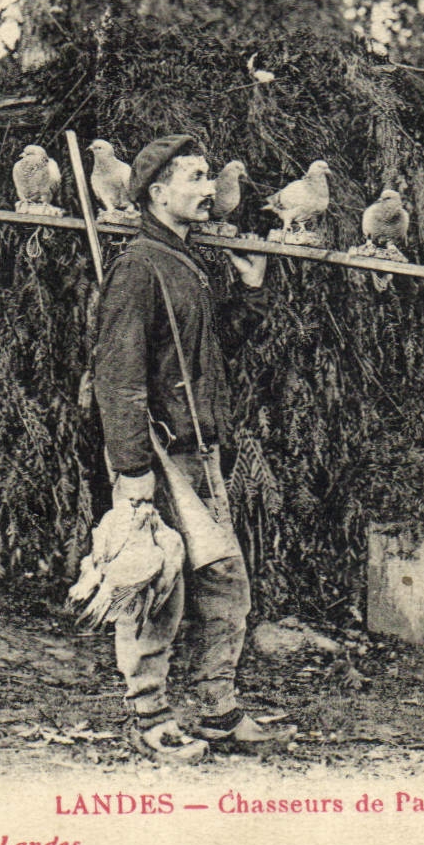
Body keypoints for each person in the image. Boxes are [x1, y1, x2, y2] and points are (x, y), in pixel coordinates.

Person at [90, 134, 295, 763]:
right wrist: (131, 472)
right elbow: (117, 376)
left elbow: (210, 355)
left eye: (210, 176)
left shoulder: (185, 262)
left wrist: (254, 293)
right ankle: (149, 714)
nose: (210, 189)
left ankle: (217, 711)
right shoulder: (138, 266)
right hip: (158, 455)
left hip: (200, 451)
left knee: (224, 581)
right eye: (196, 177)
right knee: (158, 586)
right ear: (158, 192)